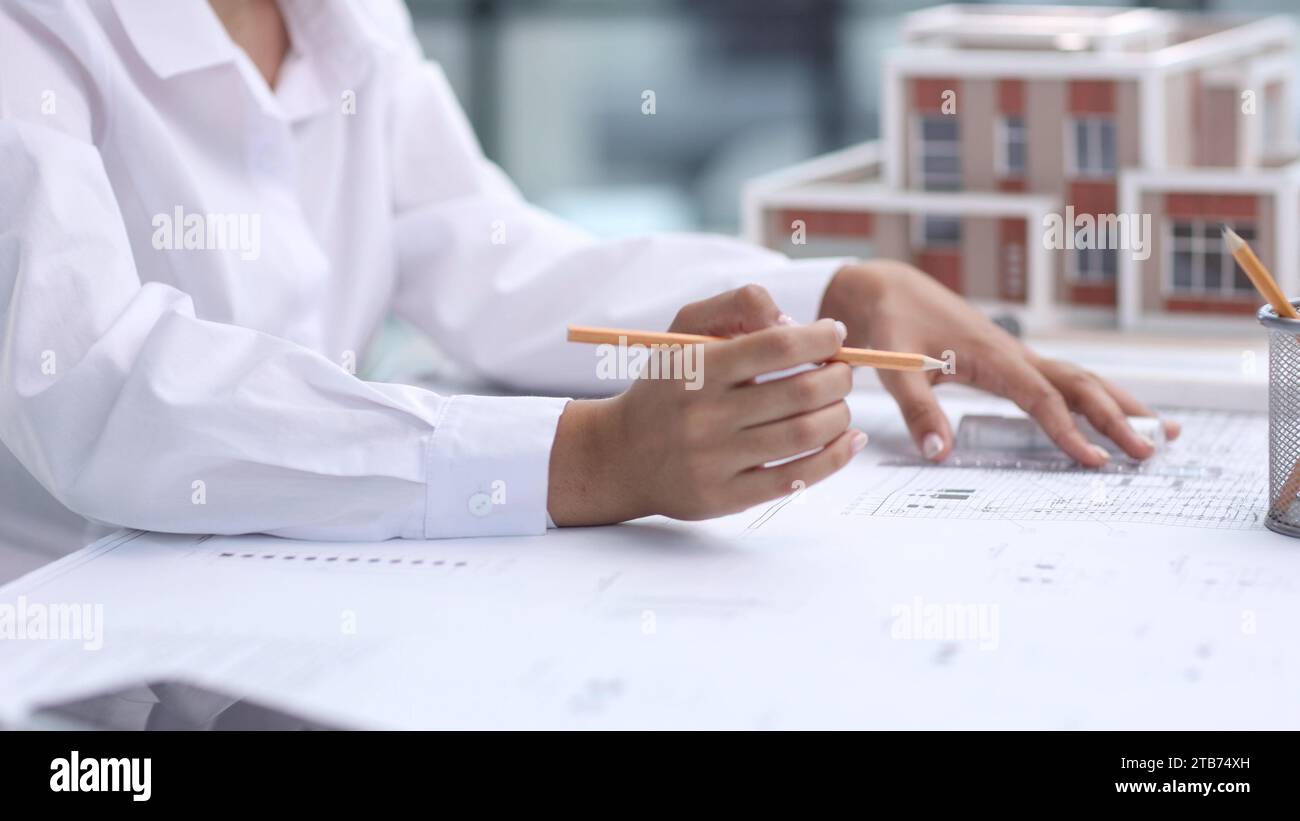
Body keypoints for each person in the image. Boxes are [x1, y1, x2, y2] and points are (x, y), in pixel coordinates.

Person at [0, 0, 1176, 580]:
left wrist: (832, 294)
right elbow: (103, 389)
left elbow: (477, 247)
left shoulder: (341, 13)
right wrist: (589, 459)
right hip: (75, 661)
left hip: (284, 591)